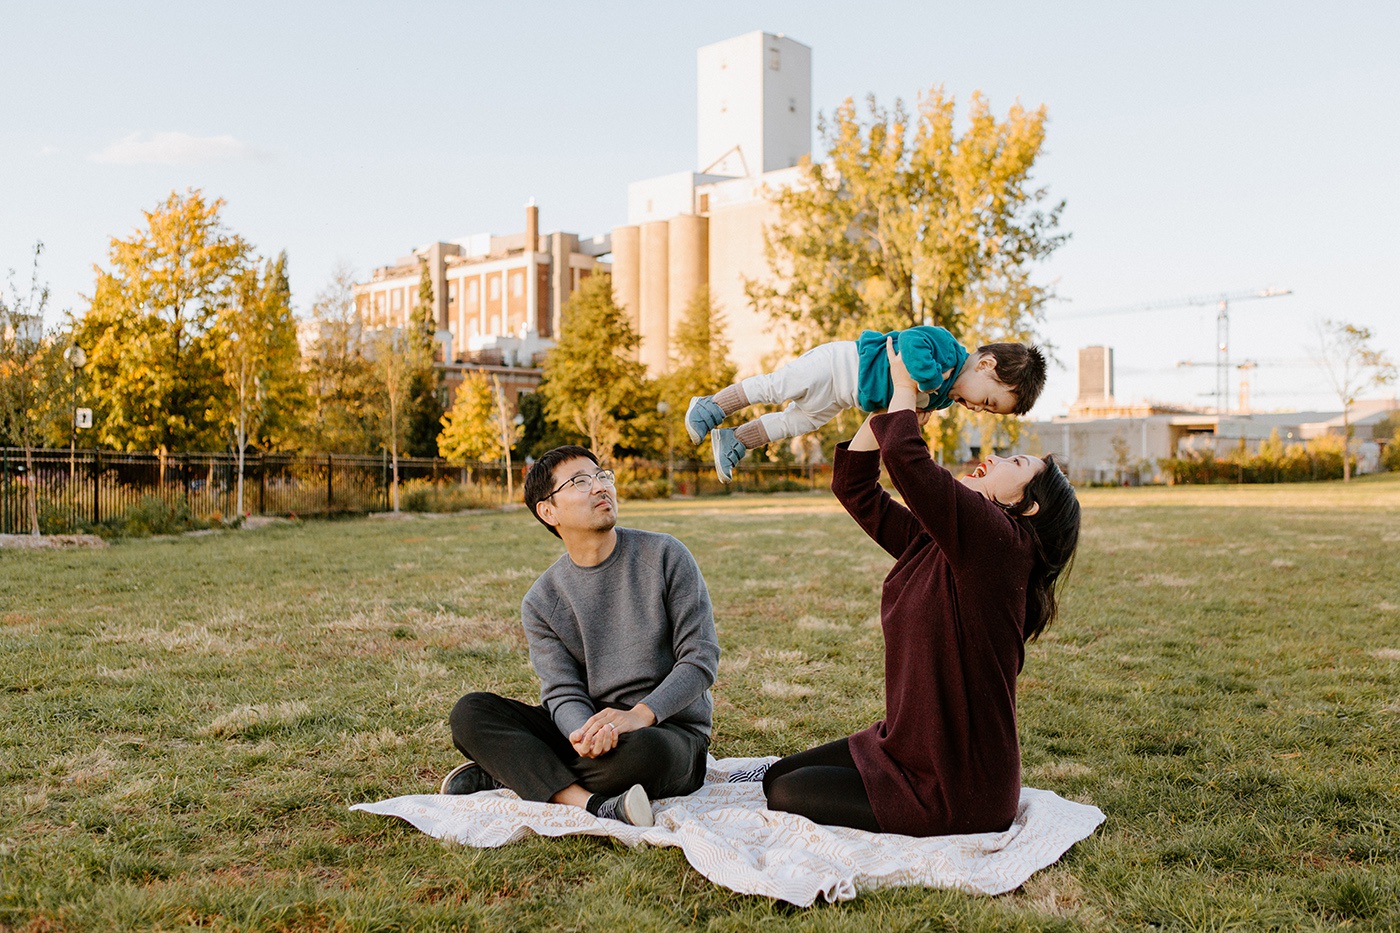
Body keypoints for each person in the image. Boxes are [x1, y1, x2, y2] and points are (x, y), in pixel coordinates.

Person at [757, 339, 1080, 837]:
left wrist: (908, 391)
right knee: (777, 777)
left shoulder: (1005, 545)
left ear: (1028, 507)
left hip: (959, 786)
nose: (993, 457)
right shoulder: (945, 542)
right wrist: (889, 403)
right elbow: (857, 490)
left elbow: (910, 463)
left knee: (786, 793)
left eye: (1015, 465)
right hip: (903, 746)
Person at [442, 445, 721, 827]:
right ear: (548, 511)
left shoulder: (665, 555)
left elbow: (700, 658)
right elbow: (562, 691)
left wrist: (638, 716)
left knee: (640, 757)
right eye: (580, 481)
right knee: (471, 713)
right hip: (588, 732)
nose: (600, 487)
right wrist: (583, 734)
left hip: (664, 730)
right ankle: (587, 802)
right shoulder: (542, 601)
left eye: (602, 476)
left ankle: (516, 771)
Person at [685, 325, 1047, 484]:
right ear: (985, 366)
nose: (977, 409)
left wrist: (911, 414)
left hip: (843, 397)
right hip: (839, 365)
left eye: (986, 411)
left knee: (799, 423)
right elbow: (910, 343)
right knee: (778, 386)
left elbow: (895, 405)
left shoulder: (943, 400)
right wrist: (930, 380)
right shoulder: (947, 347)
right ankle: (711, 406)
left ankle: (735, 440)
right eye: (986, 401)